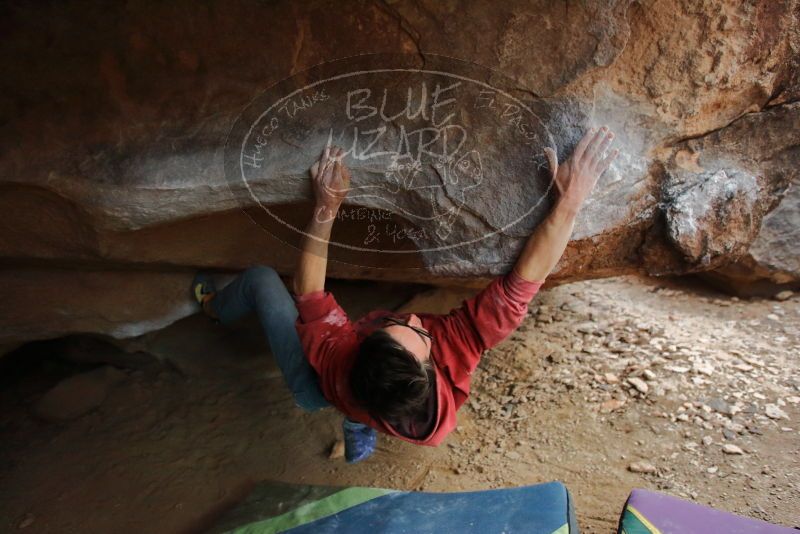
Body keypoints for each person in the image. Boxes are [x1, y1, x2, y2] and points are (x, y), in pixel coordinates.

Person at [193, 127, 618, 463]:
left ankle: (214, 309)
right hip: (374, 403)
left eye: (400, 325)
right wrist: (569, 205)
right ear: (431, 370)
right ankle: (360, 426)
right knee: (372, 403)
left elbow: (309, 292)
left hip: (319, 388)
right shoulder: (430, 411)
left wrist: (326, 207)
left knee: (263, 280)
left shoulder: (338, 357)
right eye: (418, 331)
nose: (415, 319)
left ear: (358, 348)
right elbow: (518, 288)